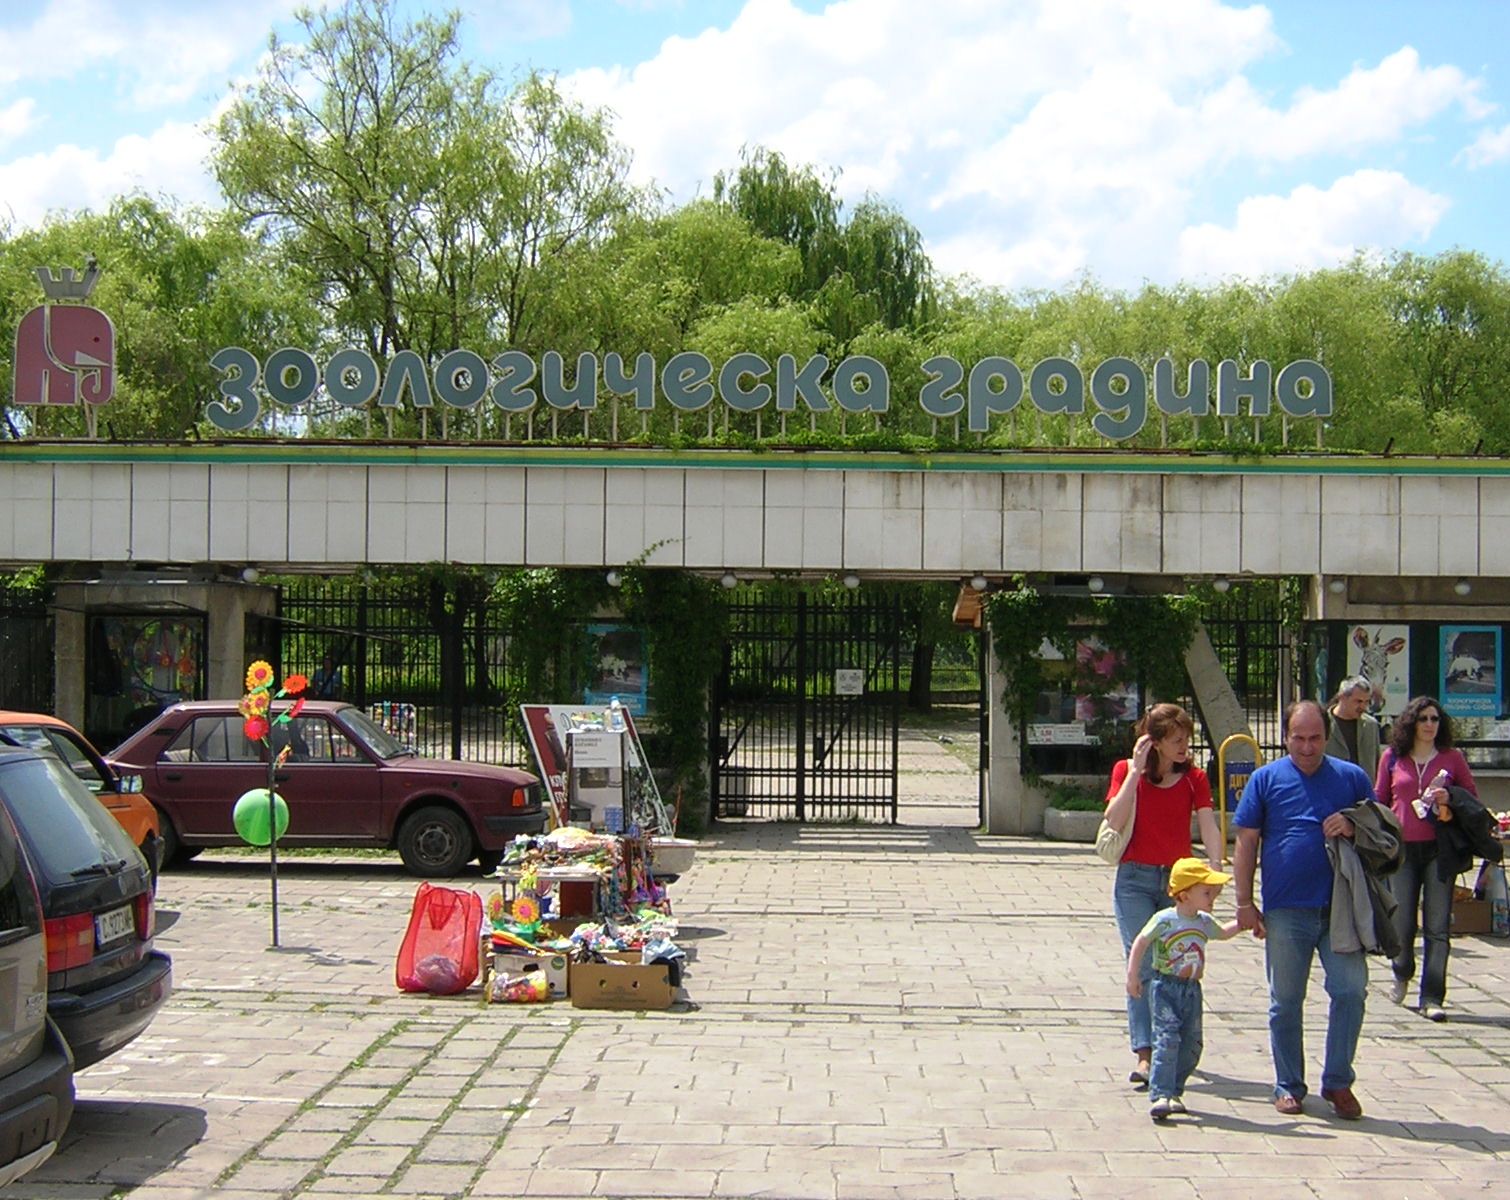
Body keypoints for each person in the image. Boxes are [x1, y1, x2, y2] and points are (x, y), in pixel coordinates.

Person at [1232, 699, 1376, 1119]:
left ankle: (1338, 1082)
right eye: (1299, 738)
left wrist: (1352, 826)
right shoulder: (1265, 779)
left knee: (1351, 990)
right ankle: (1288, 1084)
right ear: (1285, 737)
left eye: (1315, 738)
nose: (1307, 747)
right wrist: (1244, 902)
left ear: (1326, 737)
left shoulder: (1351, 778)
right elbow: (1246, 842)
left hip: (1341, 910)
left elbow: (1382, 829)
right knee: (1286, 1001)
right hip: (1286, 910)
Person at [1103, 702, 1225, 1088]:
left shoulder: (1195, 779)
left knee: (1171, 966)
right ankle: (1145, 1053)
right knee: (1140, 964)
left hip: (1178, 885)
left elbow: (1208, 824)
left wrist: (1216, 870)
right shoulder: (1127, 771)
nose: (1184, 747)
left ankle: (1169, 1042)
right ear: (1153, 743)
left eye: (1187, 739)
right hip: (1135, 880)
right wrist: (1135, 772)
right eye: (1176, 740)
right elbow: (1113, 820)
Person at [1375, 696, 1475, 1023]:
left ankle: (1432, 995)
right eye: (1423, 719)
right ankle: (1401, 970)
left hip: (1439, 848)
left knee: (1437, 926)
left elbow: (1471, 798)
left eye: (1435, 719)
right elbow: (1380, 799)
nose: (1430, 725)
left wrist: (1452, 797)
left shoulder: (1452, 758)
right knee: (1401, 922)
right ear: (1411, 724)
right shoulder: (1392, 757)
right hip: (1403, 849)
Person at [1126, 858, 1241, 1121]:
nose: (1212, 897)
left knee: (1191, 1044)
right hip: (1165, 987)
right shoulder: (1165, 920)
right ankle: (1160, 1094)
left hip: (1192, 990)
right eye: (1206, 892)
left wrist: (1244, 923)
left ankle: (1174, 1090)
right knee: (1167, 1039)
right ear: (1184, 895)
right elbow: (1141, 942)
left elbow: (1222, 933)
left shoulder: (1203, 921)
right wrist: (1133, 975)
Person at [1325, 675, 1383, 777]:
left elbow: (1378, 764)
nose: (1363, 707)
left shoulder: (1371, 725)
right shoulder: (1323, 724)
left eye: (1366, 702)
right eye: (1358, 701)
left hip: (1363, 790)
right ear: (1342, 697)